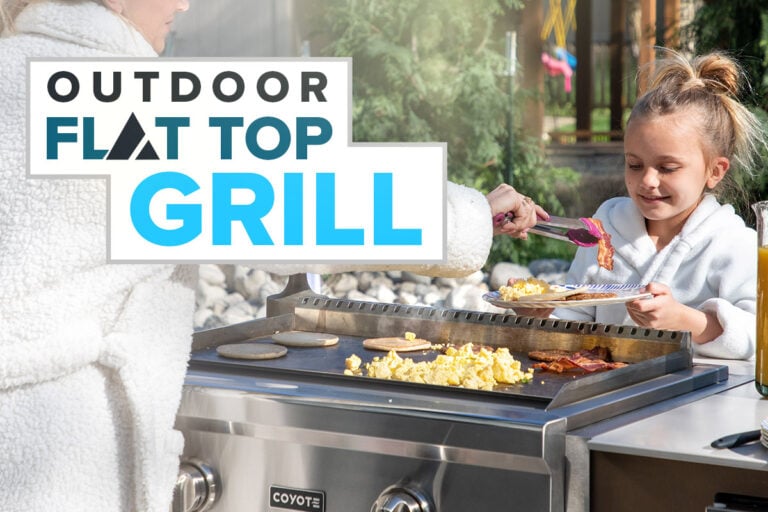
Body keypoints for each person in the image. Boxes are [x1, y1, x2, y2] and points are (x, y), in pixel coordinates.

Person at [0, 2, 544, 509]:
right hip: (49, 465)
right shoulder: (114, 96)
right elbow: (301, 199)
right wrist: (473, 213)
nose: (185, 5)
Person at [522, 49, 763, 360]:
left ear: (714, 171)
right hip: (605, 390)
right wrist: (539, 312)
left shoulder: (732, 243)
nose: (647, 180)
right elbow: (576, 318)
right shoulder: (606, 227)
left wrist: (685, 320)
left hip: (699, 399)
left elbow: (757, 334)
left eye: (667, 168)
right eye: (635, 165)